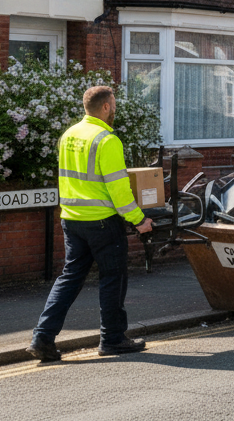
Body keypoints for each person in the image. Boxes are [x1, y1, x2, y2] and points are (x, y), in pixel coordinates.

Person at [28, 85, 152, 362]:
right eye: (114, 105)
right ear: (105, 107)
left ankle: (42, 337)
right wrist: (139, 220)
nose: (115, 110)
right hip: (102, 223)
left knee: (69, 279)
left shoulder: (69, 135)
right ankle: (113, 339)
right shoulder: (106, 140)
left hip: (71, 220)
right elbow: (119, 191)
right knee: (112, 279)